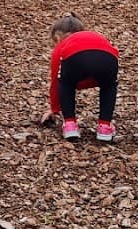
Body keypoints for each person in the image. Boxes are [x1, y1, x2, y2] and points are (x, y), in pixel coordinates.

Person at [39, 14, 120, 142]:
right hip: (108, 58)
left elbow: (56, 80)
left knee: (65, 82)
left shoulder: (64, 45)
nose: (57, 44)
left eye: (56, 41)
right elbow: (108, 54)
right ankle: (105, 126)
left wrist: (54, 109)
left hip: (76, 61)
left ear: (59, 37)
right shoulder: (94, 36)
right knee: (109, 85)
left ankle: (70, 125)